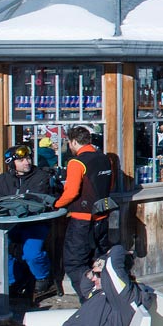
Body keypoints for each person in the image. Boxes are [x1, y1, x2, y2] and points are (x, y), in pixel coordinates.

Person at [0, 145, 59, 299]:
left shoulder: (40, 177)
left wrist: (10, 205)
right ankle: (14, 281)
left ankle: (43, 280)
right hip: (9, 226)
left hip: (34, 225)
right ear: (11, 163)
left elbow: (40, 199)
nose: (27, 162)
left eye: (28, 158)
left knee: (32, 253)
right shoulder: (2, 180)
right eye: (22, 160)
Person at [54, 126, 114, 303]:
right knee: (99, 260)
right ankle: (107, 296)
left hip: (82, 219)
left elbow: (71, 192)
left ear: (73, 142)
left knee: (75, 263)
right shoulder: (105, 159)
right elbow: (109, 185)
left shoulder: (76, 162)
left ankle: (89, 301)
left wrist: (55, 204)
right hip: (102, 217)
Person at [46, 245, 153, 326]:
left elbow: (112, 266)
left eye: (98, 274)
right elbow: (85, 284)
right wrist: (96, 269)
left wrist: (118, 249)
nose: (93, 278)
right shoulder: (98, 292)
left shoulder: (124, 297)